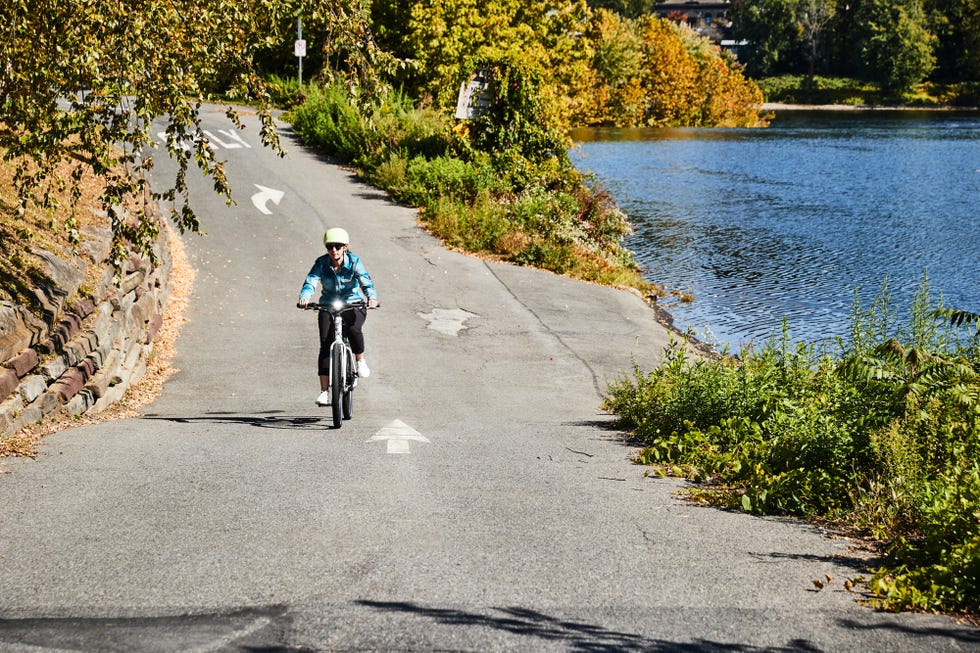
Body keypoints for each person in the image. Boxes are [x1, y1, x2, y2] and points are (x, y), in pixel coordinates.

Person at [297, 227, 379, 407]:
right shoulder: (321, 263)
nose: (334, 250)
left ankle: (360, 361)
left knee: (353, 329)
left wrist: (371, 298)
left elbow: (365, 280)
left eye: (338, 246)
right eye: (330, 246)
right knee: (326, 344)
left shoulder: (355, 262)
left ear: (345, 247)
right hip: (328, 305)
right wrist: (305, 296)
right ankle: (325, 392)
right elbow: (311, 280)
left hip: (353, 303)